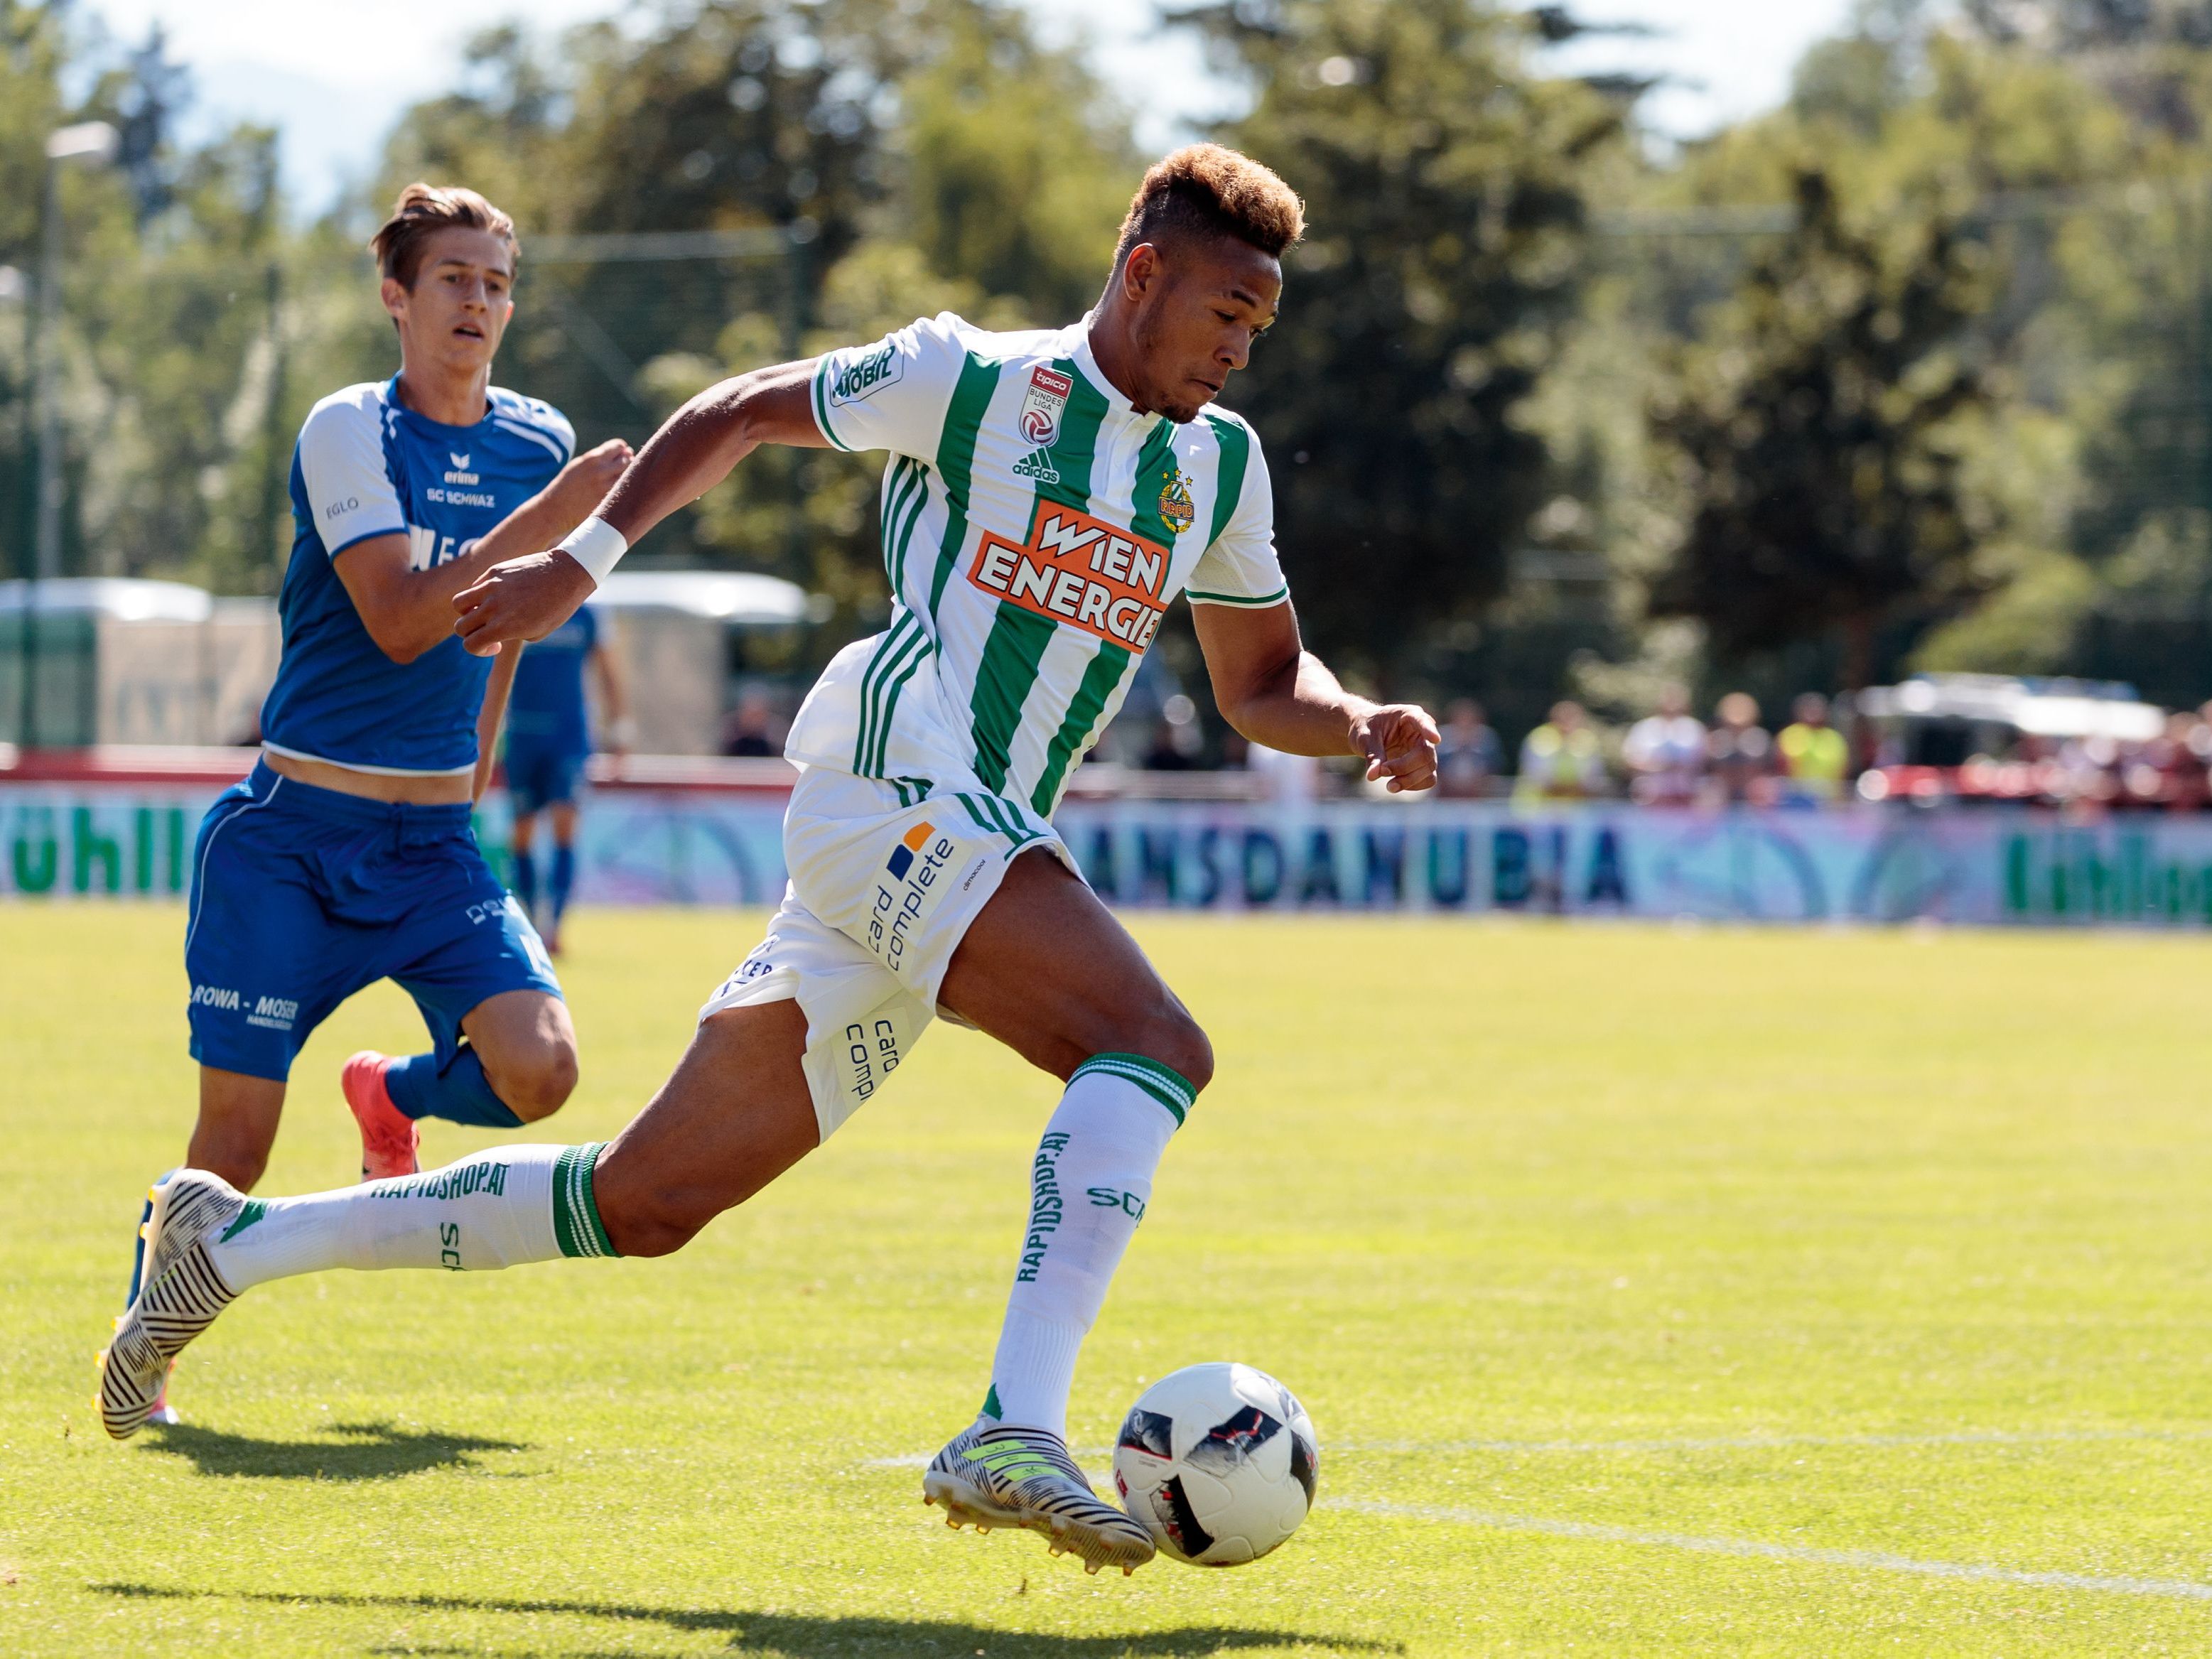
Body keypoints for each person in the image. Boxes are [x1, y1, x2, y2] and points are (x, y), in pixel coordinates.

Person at [98, 146, 1440, 1578]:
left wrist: (1355, 720)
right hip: (892, 791)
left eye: (1258, 325)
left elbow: (1260, 681)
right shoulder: (970, 380)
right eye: (1227, 313)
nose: (1239, 350)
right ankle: (1011, 1426)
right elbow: (736, 411)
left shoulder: (1216, 468)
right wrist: (580, 562)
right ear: (1142, 273)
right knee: (1152, 1045)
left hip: (963, 841)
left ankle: (227, 1244)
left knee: (643, 1201)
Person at [116, 183, 631, 1425]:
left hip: (431, 846)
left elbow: (502, 629)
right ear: (396, 297)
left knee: (541, 1072)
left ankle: (391, 1093)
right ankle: (146, 1350)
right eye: (453, 278)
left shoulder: (537, 442)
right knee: (233, 1150)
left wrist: (475, 771)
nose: (478, 302)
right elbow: (401, 620)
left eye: (497, 283)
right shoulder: (349, 427)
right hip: (292, 840)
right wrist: (553, 521)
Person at [505, 601, 630, 953]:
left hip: (569, 737)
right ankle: (531, 923)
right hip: (522, 734)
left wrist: (620, 729)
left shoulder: (589, 614)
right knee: (522, 833)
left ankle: (556, 928)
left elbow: (608, 671)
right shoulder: (517, 602)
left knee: (565, 827)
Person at [1622, 683, 1705, 807]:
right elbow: (1630, 761)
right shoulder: (1644, 728)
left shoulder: (1694, 729)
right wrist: (1659, 767)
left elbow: (1703, 761)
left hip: (1685, 796)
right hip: (1649, 797)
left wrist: (1680, 767)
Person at [1513, 699, 1606, 804]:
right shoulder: (1539, 739)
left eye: (1572, 718)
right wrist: (1568, 786)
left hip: (1576, 808)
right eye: (1564, 718)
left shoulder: (1587, 741)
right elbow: (1536, 779)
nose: (1568, 723)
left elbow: (1594, 781)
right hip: (1538, 807)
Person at [1776, 692, 1847, 806]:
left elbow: (1842, 770)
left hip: (1827, 798)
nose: (1813, 713)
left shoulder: (1834, 738)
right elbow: (1782, 766)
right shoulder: (1789, 735)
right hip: (1795, 797)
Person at [1704, 691, 1774, 806]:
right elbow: (1713, 766)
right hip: (1722, 791)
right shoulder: (1717, 738)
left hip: (1752, 791)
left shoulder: (1759, 738)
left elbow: (1761, 768)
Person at [1435, 698, 1501, 799]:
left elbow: (1494, 764)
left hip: (1479, 794)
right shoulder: (1440, 736)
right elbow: (1436, 763)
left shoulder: (1487, 737)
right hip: (1445, 793)